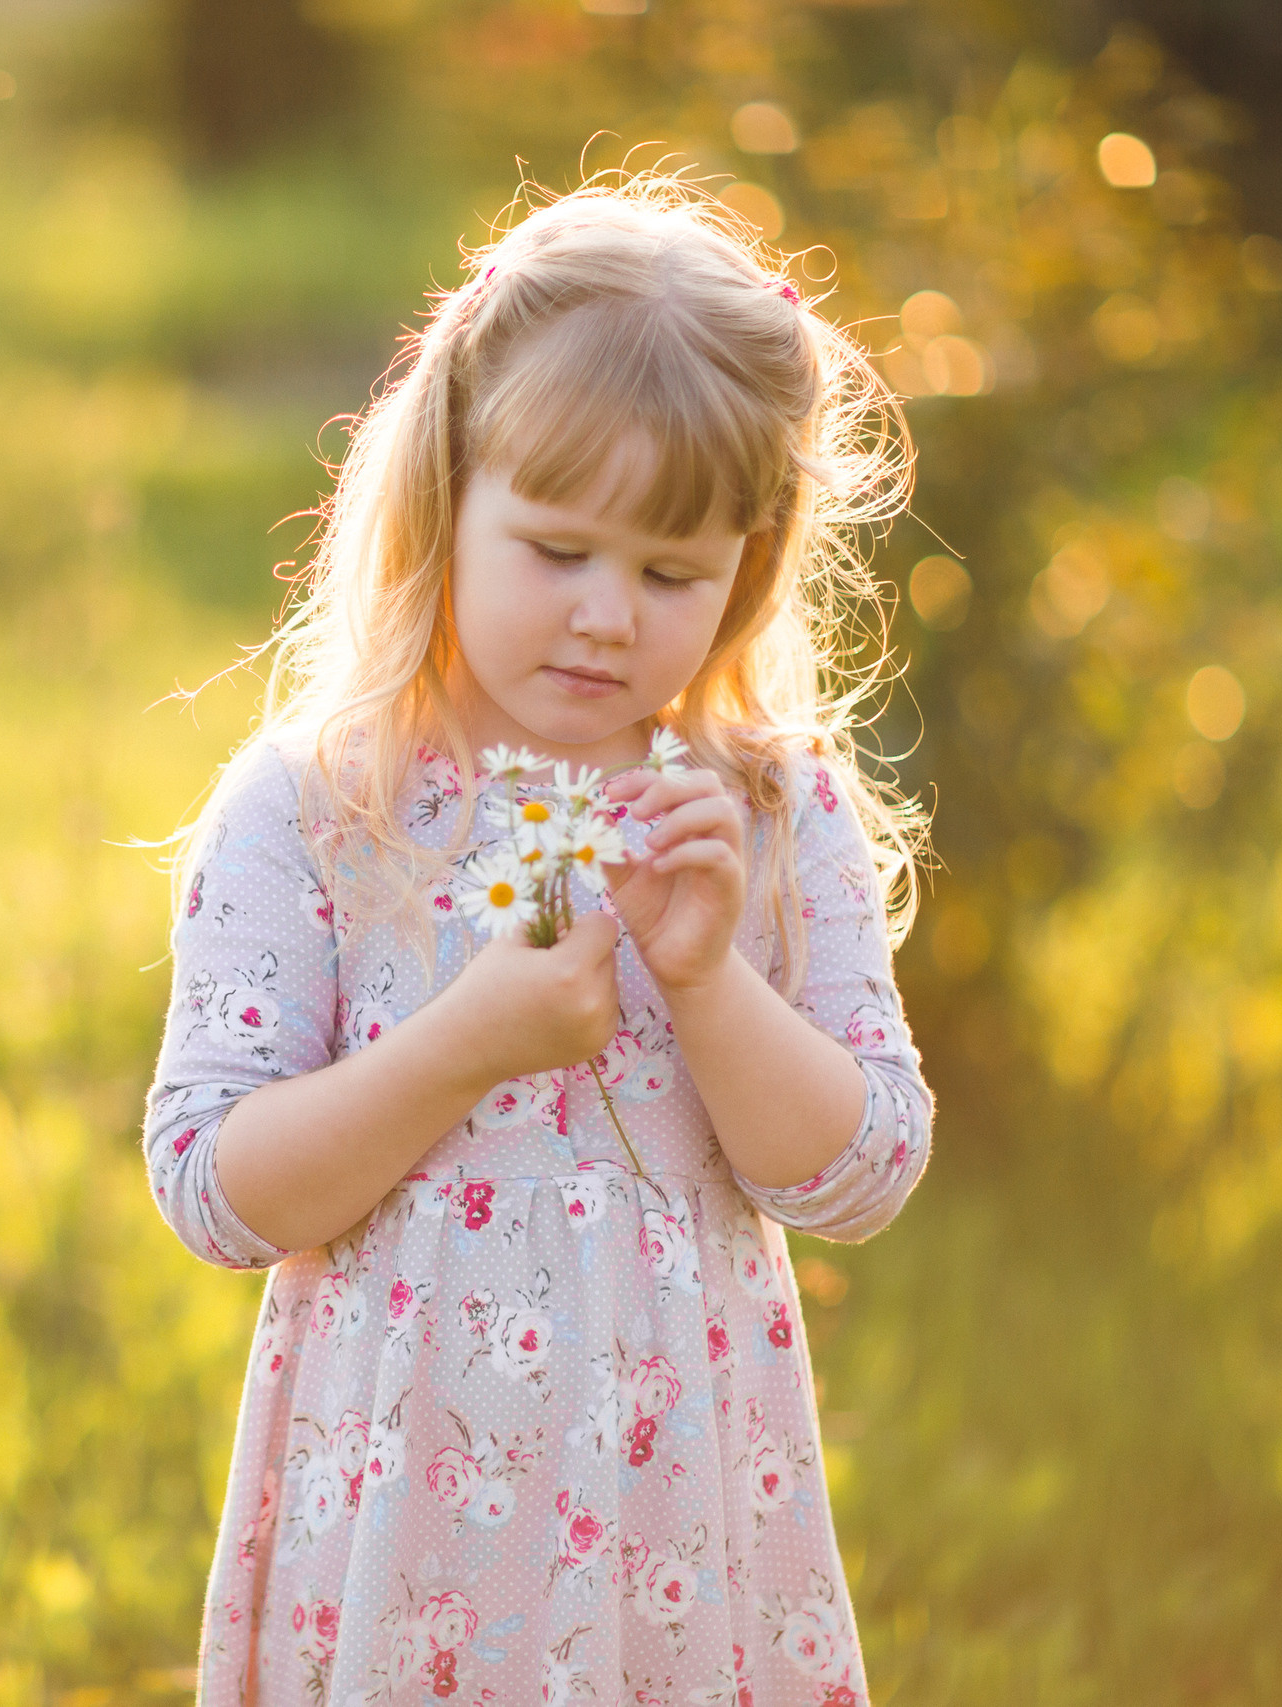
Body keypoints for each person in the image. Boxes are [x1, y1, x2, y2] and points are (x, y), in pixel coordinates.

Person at [142, 171, 933, 1706]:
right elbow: (216, 1190)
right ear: (449, 500)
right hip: (403, 1514)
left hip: (675, 1523)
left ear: (749, 569)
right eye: (558, 548)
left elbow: (860, 1171)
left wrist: (704, 979)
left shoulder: (764, 816)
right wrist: (464, 1048)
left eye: (669, 573)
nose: (604, 617)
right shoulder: (323, 806)